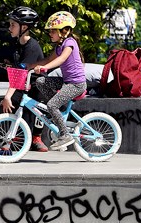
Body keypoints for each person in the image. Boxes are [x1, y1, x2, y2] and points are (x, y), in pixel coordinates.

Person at [27, 11, 86, 151]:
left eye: (52, 31)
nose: (50, 34)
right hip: (66, 82)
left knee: (52, 105)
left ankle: (65, 135)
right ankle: (57, 110)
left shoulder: (70, 43)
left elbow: (61, 59)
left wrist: (44, 68)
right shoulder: (59, 46)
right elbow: (47, 59)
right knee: (41, 81)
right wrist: (29, 66)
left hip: (76, 85)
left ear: (63, 31)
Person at [0, 6, 48, 152]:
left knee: (40, 104)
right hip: (24, 82)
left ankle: (36, 137)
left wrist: (8, 95)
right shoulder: (16, 43)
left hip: (37, 84)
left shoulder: (32, 46)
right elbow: (17, 69)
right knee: (11, 103)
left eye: (13, 25)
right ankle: (17, 135)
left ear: (24, 27)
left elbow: (21, 73)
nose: (10, 28)